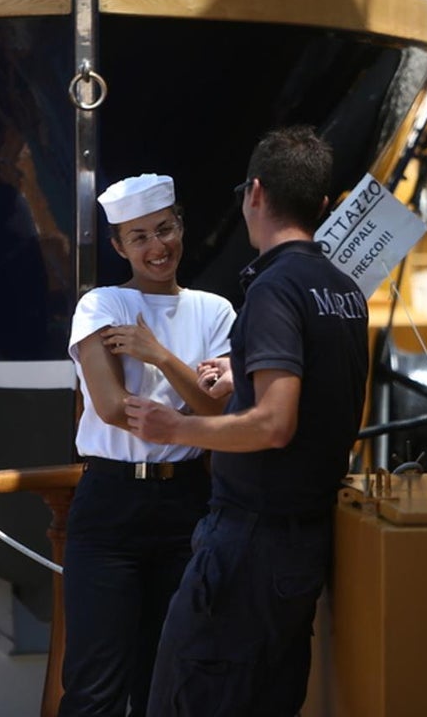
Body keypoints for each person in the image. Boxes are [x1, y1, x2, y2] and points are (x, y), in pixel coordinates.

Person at [125, 127, 370, 716]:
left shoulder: (272, 290)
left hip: (249, 546)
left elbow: (274, 424)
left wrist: (175, 428)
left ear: (255, 193)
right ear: (323, 205)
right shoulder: (345, 292)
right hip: (304, 543)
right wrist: (243, 372)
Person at [60, 173, 236, 717]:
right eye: (139, 237)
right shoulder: (101, 304)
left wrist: (157, 355)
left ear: (181, 226)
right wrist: (189, 412)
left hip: (186, 507)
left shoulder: (216, 310)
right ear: (119, 247)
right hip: (109, 506)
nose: (157, 247)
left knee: (171, 679)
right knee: (95, 686)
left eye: (164, 229)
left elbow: (219, 413)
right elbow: (113, 407)